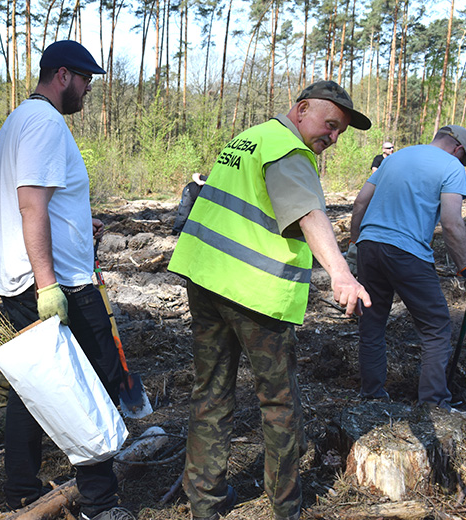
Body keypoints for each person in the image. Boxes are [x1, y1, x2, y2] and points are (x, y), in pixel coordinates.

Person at [167, 80, 373, 520]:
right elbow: (307, 212)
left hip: (205, 280)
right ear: (301, 110)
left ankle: (204, 501)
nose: (332, 138)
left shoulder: (249, 138)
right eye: (330, 124)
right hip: (254, 295)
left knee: (211, 393)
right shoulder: (289, 150)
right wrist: (341, 273)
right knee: (279, 403)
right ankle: (286, 507)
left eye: (339, 132)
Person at [0, 40, 133, 520]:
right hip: (56, 285)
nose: (89, 89)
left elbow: (40, 202)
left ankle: (21, 493)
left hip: (23, 277)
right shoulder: (46, 123)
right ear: (64, 75)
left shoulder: (18, 120)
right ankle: (99, 502)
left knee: (31, 388)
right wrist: (50, 283)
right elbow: (31, 202)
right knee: (93, 383)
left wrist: (77, 223)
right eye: (86, 79)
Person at [350, 125, 466, 409]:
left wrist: (357, 244)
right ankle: (433, 403)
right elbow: (452, 223)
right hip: (408, 253)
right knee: (436, 327)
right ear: (458, 149)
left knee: (372, 323)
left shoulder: (395, 158)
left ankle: (372, 396)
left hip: (369, 245)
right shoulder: (452, 167)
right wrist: (464, 266)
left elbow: (360, 203)